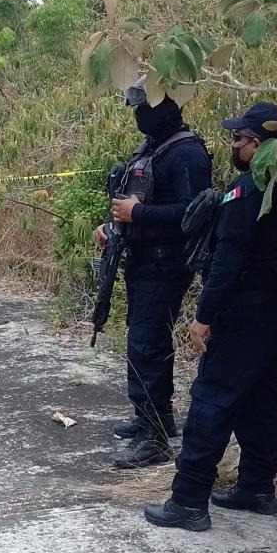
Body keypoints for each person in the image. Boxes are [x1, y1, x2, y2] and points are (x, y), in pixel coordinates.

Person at [144, 102, 277, 531]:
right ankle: (256, 487)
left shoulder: (246, 192)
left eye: (240, 139)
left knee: (212, 398)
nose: (233, 145)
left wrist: (204, 316)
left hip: (243, 310)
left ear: (263, 144)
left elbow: (227, 262)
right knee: (258, 396)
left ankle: (188, 500)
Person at [96, 79, 212, 469]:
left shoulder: (188, 155)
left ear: (168, 107)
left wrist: (137, 215)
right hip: (143, 260)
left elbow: (194, 214)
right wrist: (112, 225)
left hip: (166, 264)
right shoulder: (152, 148)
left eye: (147, 108)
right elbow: (135, 199)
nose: (140, 117)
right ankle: (154, 416)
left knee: (147, 344)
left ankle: (155, 438)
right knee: (142, 340)